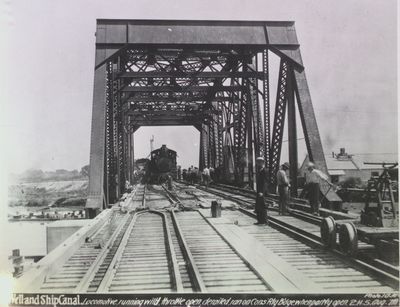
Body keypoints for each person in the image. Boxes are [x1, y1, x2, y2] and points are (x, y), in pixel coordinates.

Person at [255, 157, 269, 224]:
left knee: (263, 206)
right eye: (257, 162)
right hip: (259, 191)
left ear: (263, 162)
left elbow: (265, 182)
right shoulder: (260, 170)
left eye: (259, 162)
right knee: (258, 206)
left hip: (261, 191)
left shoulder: (264, 171)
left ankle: (264, 221)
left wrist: (262, 192)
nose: (258, 164)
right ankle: (260, 221)